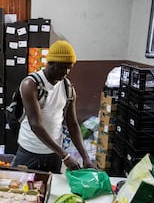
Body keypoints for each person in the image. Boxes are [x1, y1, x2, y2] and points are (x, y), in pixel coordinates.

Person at [11, 40, 97, 173]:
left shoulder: (68, 88)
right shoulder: (31, 85)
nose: (66, 71)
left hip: (54, 154)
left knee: (51, 188)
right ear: (50, 63)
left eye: (70, 67)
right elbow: (36, 125)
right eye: (63, 67)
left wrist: (85, 157)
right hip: (30, 151)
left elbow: (73, 124)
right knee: (23, 189)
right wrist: (65, 155)